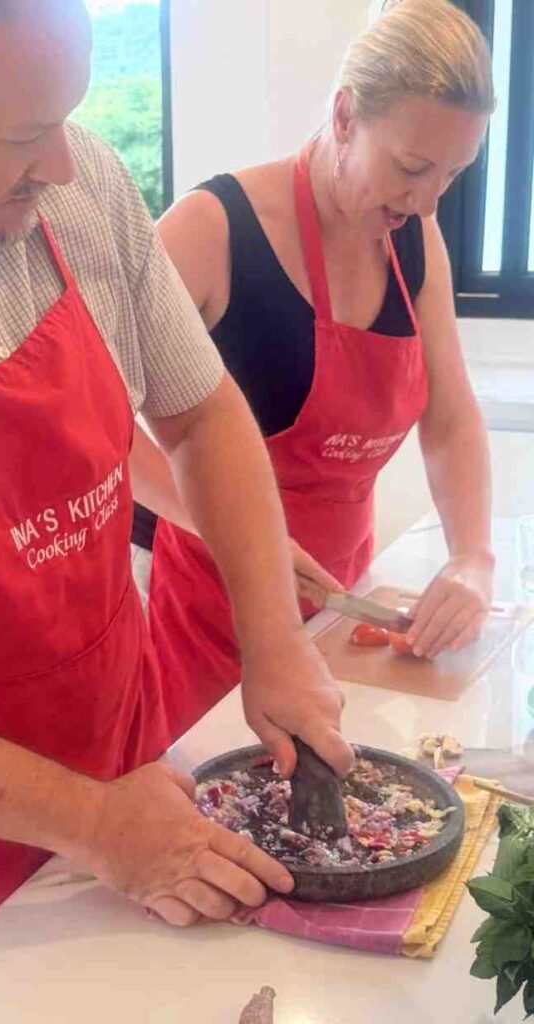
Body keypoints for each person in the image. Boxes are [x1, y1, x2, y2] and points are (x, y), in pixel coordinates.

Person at [0, 2, 352, 1022]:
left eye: (65, 122)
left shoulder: (78, 185)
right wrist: (90, 823)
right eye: (23, 138)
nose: (67, 167)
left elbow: (203, 412)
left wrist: (275, 644)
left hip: (123, 789)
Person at [135, 0, 495, 741]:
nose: (428, 200)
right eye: (412, 166)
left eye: (453, 176)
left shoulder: (416, 237)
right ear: (343, 115)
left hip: (340, 601)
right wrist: (246, 538)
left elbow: (452, 420)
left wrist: (473, 556)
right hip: (212, 618)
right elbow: (93, 421)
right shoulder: (211, 231)